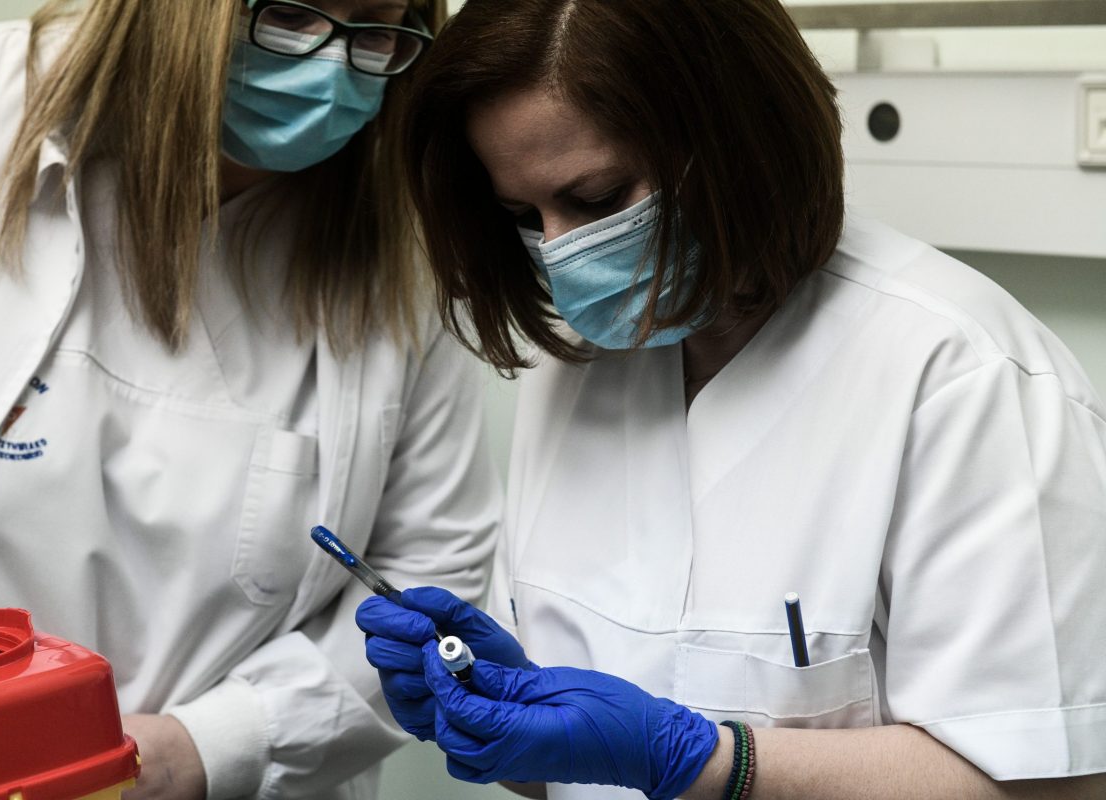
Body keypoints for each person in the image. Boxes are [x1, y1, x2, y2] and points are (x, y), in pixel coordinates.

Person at [356, 0, 1106, 798]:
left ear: (739, 142)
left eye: (598, 199)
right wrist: (500, 718)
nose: (563, 254)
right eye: (524, 217)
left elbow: (1050, 787)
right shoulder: (575, 367)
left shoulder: (964, 376)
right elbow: (581, 772)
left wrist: (712, 764)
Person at [0, 1, 501, 798]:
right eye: (290, 14)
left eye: (376, 29)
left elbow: (434, 572)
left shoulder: (404, 245)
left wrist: (209, 747)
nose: (330, 70)